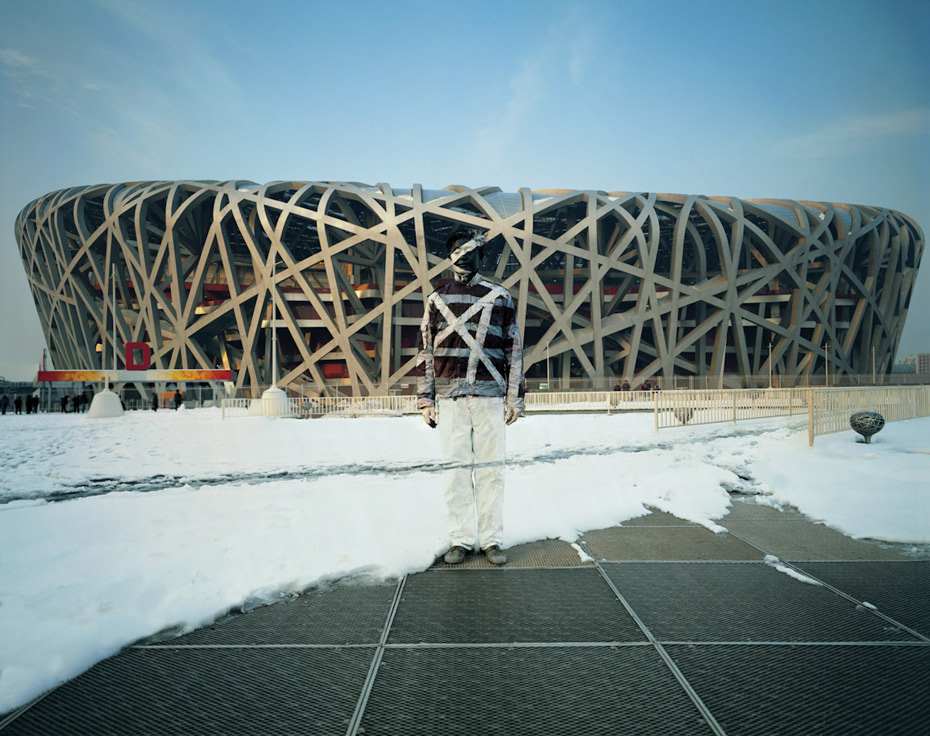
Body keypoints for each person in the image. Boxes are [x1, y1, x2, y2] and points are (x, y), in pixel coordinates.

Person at [417, 229, 525, 566]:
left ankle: (491, 540)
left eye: (469, 252)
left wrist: (514, 398)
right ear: (450, 257)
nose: (463, 257)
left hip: (490, 398)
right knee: (456, 471)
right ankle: (460, 541)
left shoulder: (500, 296)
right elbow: (426, 351)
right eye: (456, 252)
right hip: (450, 399)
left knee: (492, 471)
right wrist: (426, 398)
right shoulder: (436, 298)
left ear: (482, 257)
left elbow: (514, 350)